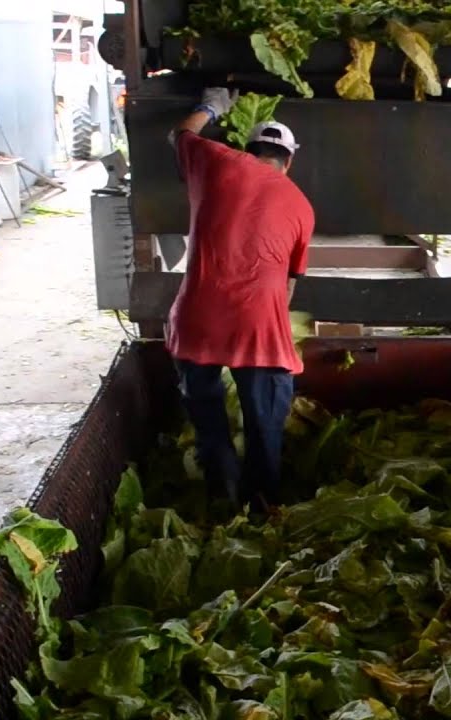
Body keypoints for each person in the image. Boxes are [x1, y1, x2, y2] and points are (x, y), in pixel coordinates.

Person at [166, 87, 315, 509]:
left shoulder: (214, 160)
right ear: (289, 161)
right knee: (266, 421)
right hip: (257, 327)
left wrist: (209, 106)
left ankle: (222, 493)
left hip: (196, 320)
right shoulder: (303, 207)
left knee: (207, 417)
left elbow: (178, 135)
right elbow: (288, 285)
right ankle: (262, 504)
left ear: (247, 150)